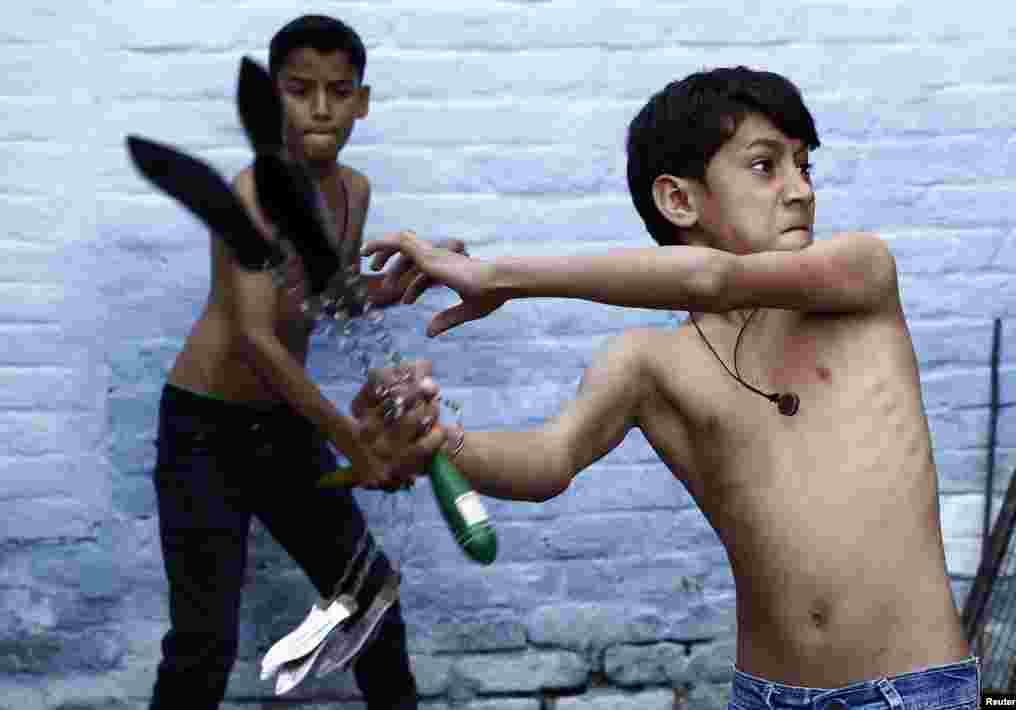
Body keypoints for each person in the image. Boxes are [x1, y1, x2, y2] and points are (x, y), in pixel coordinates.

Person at [356, 67, 980, 709]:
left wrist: (498, 276)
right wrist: (441, 439)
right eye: (766, 166)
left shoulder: (860, 276)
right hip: (769, 696)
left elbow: (710, 280)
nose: (799, 191)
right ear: (680, 201)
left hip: (917, 690)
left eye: (805, 166)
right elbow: (547, 461)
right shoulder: (651, 363)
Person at [148, 14, 462, 710]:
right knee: (203, 642)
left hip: (283, 428)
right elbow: (258, 337)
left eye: (338, 90)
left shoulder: (353, 190)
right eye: (298, 89)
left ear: (361, 100)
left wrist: (402, 285)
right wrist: (349, 438)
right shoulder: (254, 193)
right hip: (206, 432)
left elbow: (326, 299)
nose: (321, 107)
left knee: (372, 599)